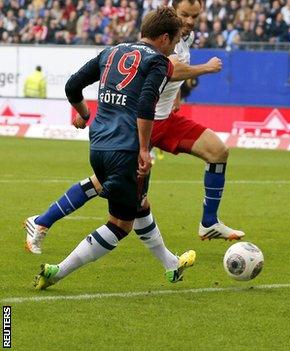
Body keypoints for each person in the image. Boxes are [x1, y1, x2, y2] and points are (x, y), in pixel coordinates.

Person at [24, 0, 243, 260]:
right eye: (184, 15)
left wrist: (175, 97)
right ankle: (42, 220)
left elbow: (169, 76)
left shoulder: (185, 36)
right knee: (107, 187)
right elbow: (169, 70)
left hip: (165, 120)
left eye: (195, 16)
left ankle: (209, 223)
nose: (190, 21)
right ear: (171, 14)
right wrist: (205, 68)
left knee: (218, 151)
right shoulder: (161, 39)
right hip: (142, 122)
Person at [34, 7, 186, 290]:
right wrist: (144, 149)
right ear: (164, 38)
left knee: (139, 203)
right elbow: (145, 104)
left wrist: (84, 113)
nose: (174, 47)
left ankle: (170, 264)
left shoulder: (111, 51)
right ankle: (57, 272)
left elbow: (72, 86)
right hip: (127, 149)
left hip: (98, 146)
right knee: (120, 224)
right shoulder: (159, 62)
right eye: (175, 41)